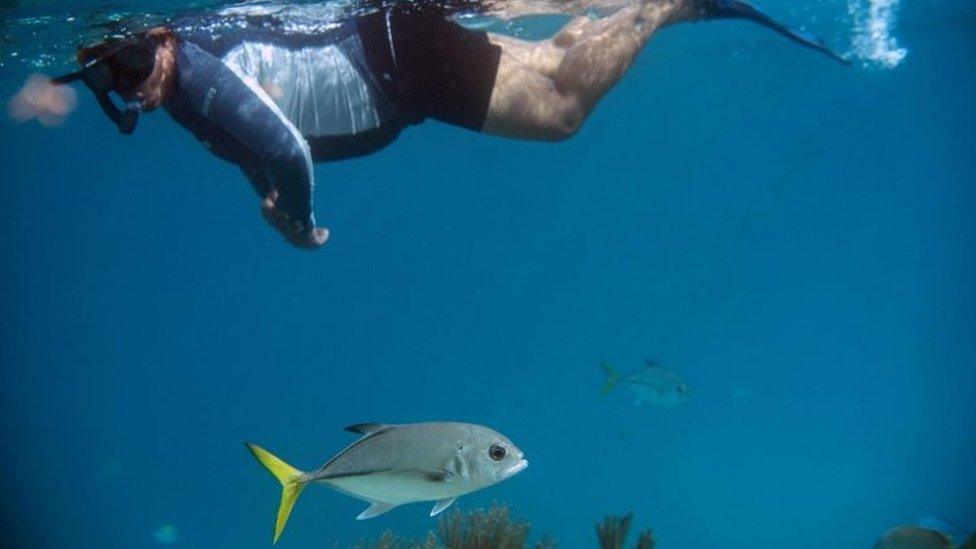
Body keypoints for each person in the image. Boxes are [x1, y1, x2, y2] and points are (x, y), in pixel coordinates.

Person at [10, 0, 847, 249]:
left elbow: (283, 144)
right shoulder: (182, 80)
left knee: (558, 115)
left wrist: (295, 221)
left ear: (155, 33)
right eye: (110, 83)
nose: (134, 88)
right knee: (549, 68)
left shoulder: (187, 66)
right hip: (391, 51)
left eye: (130, 65)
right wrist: (262, 185)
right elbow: (243, 140)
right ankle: (625, 18)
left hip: (398, 69)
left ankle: (659, 8)